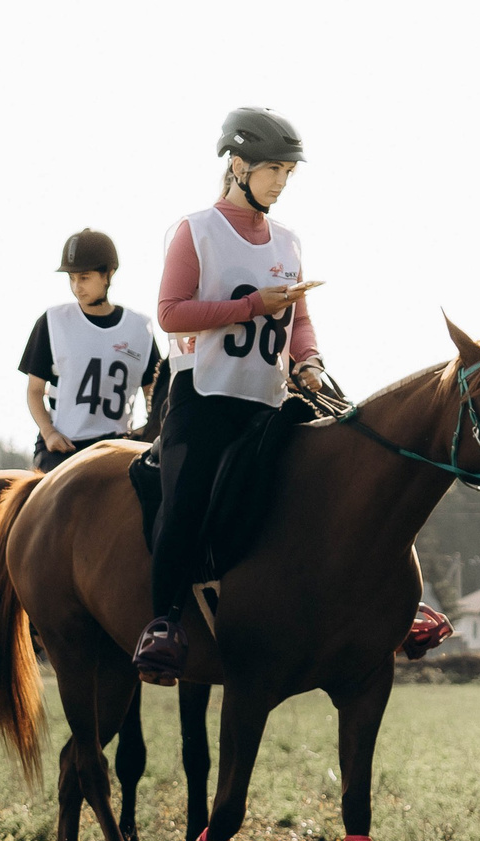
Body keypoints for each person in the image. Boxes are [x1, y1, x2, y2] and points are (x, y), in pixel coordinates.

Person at [135, 107, 331, 684]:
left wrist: (310, 361)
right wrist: (250, 307)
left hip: (269, 399)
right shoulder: (195, 230)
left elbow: (299, 322)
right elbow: (170, 314)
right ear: (238, 165)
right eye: (273, 169)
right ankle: (164, 623)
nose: (281, 182)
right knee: (185, 503)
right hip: (205, 398)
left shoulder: (289, 240)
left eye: (288, 172)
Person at [19, 229, 163, 473]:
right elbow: (34, 391)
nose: (77, 287)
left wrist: (147, 429)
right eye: (71, 278)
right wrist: (49, 432)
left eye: (84, 278)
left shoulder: (140, 328)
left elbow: (153, 395)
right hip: (63, 446)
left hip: (118, 447)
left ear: (108, 274)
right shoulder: (52, 321)